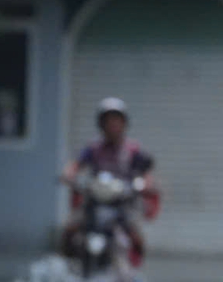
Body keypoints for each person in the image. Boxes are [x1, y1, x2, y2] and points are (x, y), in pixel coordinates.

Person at [62, 97, 159, 265]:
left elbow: (146, 173)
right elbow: (75, 165)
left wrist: (146, 184)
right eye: (108, 121)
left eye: (116, 120)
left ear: (124, 123)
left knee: (136, 234)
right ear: (101, 124)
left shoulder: (132, 150)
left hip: (122, 202)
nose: (112, 125)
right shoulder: (93, 148)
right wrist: (69, 175)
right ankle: (68, 263)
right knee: (70, 227)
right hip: (95, 200)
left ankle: (133, 268)